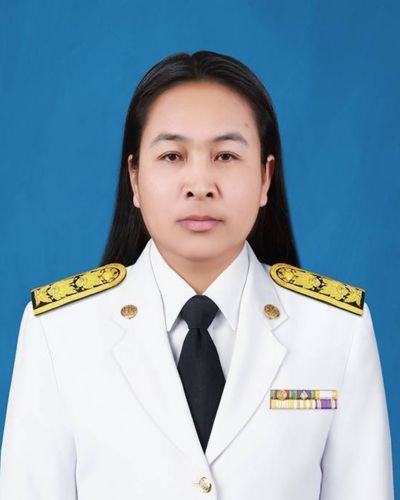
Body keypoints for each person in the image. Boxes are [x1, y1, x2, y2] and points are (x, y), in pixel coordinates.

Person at [0, 50, 394, 500]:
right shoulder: (58, 332)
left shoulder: (337, 331)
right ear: (134, 178)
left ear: (265, 178)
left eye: (226, 155)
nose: (200, 184)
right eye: (172, 156)